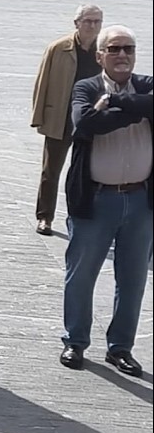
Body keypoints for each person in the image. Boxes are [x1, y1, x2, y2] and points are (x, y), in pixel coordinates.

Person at [59, 25, 151, 376]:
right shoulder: (87, 87)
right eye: (114, 49)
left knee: (133, 279)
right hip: (96, 199)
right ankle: (75, 340)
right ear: (100, 56)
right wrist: (134, 110)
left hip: (140, 199)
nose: (122, 55)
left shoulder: (145, 84)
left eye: (128, 48)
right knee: (80, 275)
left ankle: (121, 347)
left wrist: (114, 103)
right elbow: (85, 123)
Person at [30, 5, 103, 236]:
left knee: (86, 173)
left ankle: (80, 218)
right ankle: (44, 217)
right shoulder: (59, 48)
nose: (92, 26)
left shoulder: (104, 50)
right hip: (59, 117)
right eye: (88, 21)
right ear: (76, 23)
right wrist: (38, 116)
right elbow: (42, 83)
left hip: (90, 119)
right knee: (50, 172)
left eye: (97, 21)